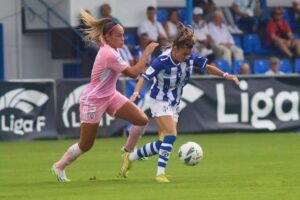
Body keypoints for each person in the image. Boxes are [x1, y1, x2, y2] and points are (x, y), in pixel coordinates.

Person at [119, 23, 240, 183]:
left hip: (174, 102)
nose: (186, 57)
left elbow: (208, 67)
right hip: (159, 99)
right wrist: (135, 93)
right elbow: (144, 77)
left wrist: (226, 75)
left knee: (163, 142)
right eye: (183, 54)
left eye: (188, 54)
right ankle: (160, 174)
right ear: (174, 49)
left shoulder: (190, 57)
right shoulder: (162, 60)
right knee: (171, 134)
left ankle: (130, 157)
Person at [51, 9, 158, 182]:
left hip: (110, 95)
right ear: (108, 37)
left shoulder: (110, 46)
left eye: (123, 35)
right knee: (86, 144)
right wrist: (147, 53)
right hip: (93, 100)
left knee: (141, 120)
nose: (123, 38)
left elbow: (104, 32)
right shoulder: (109, 53)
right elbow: (132, 73)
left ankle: (127, 152)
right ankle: (59, 166)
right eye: (119, 35)